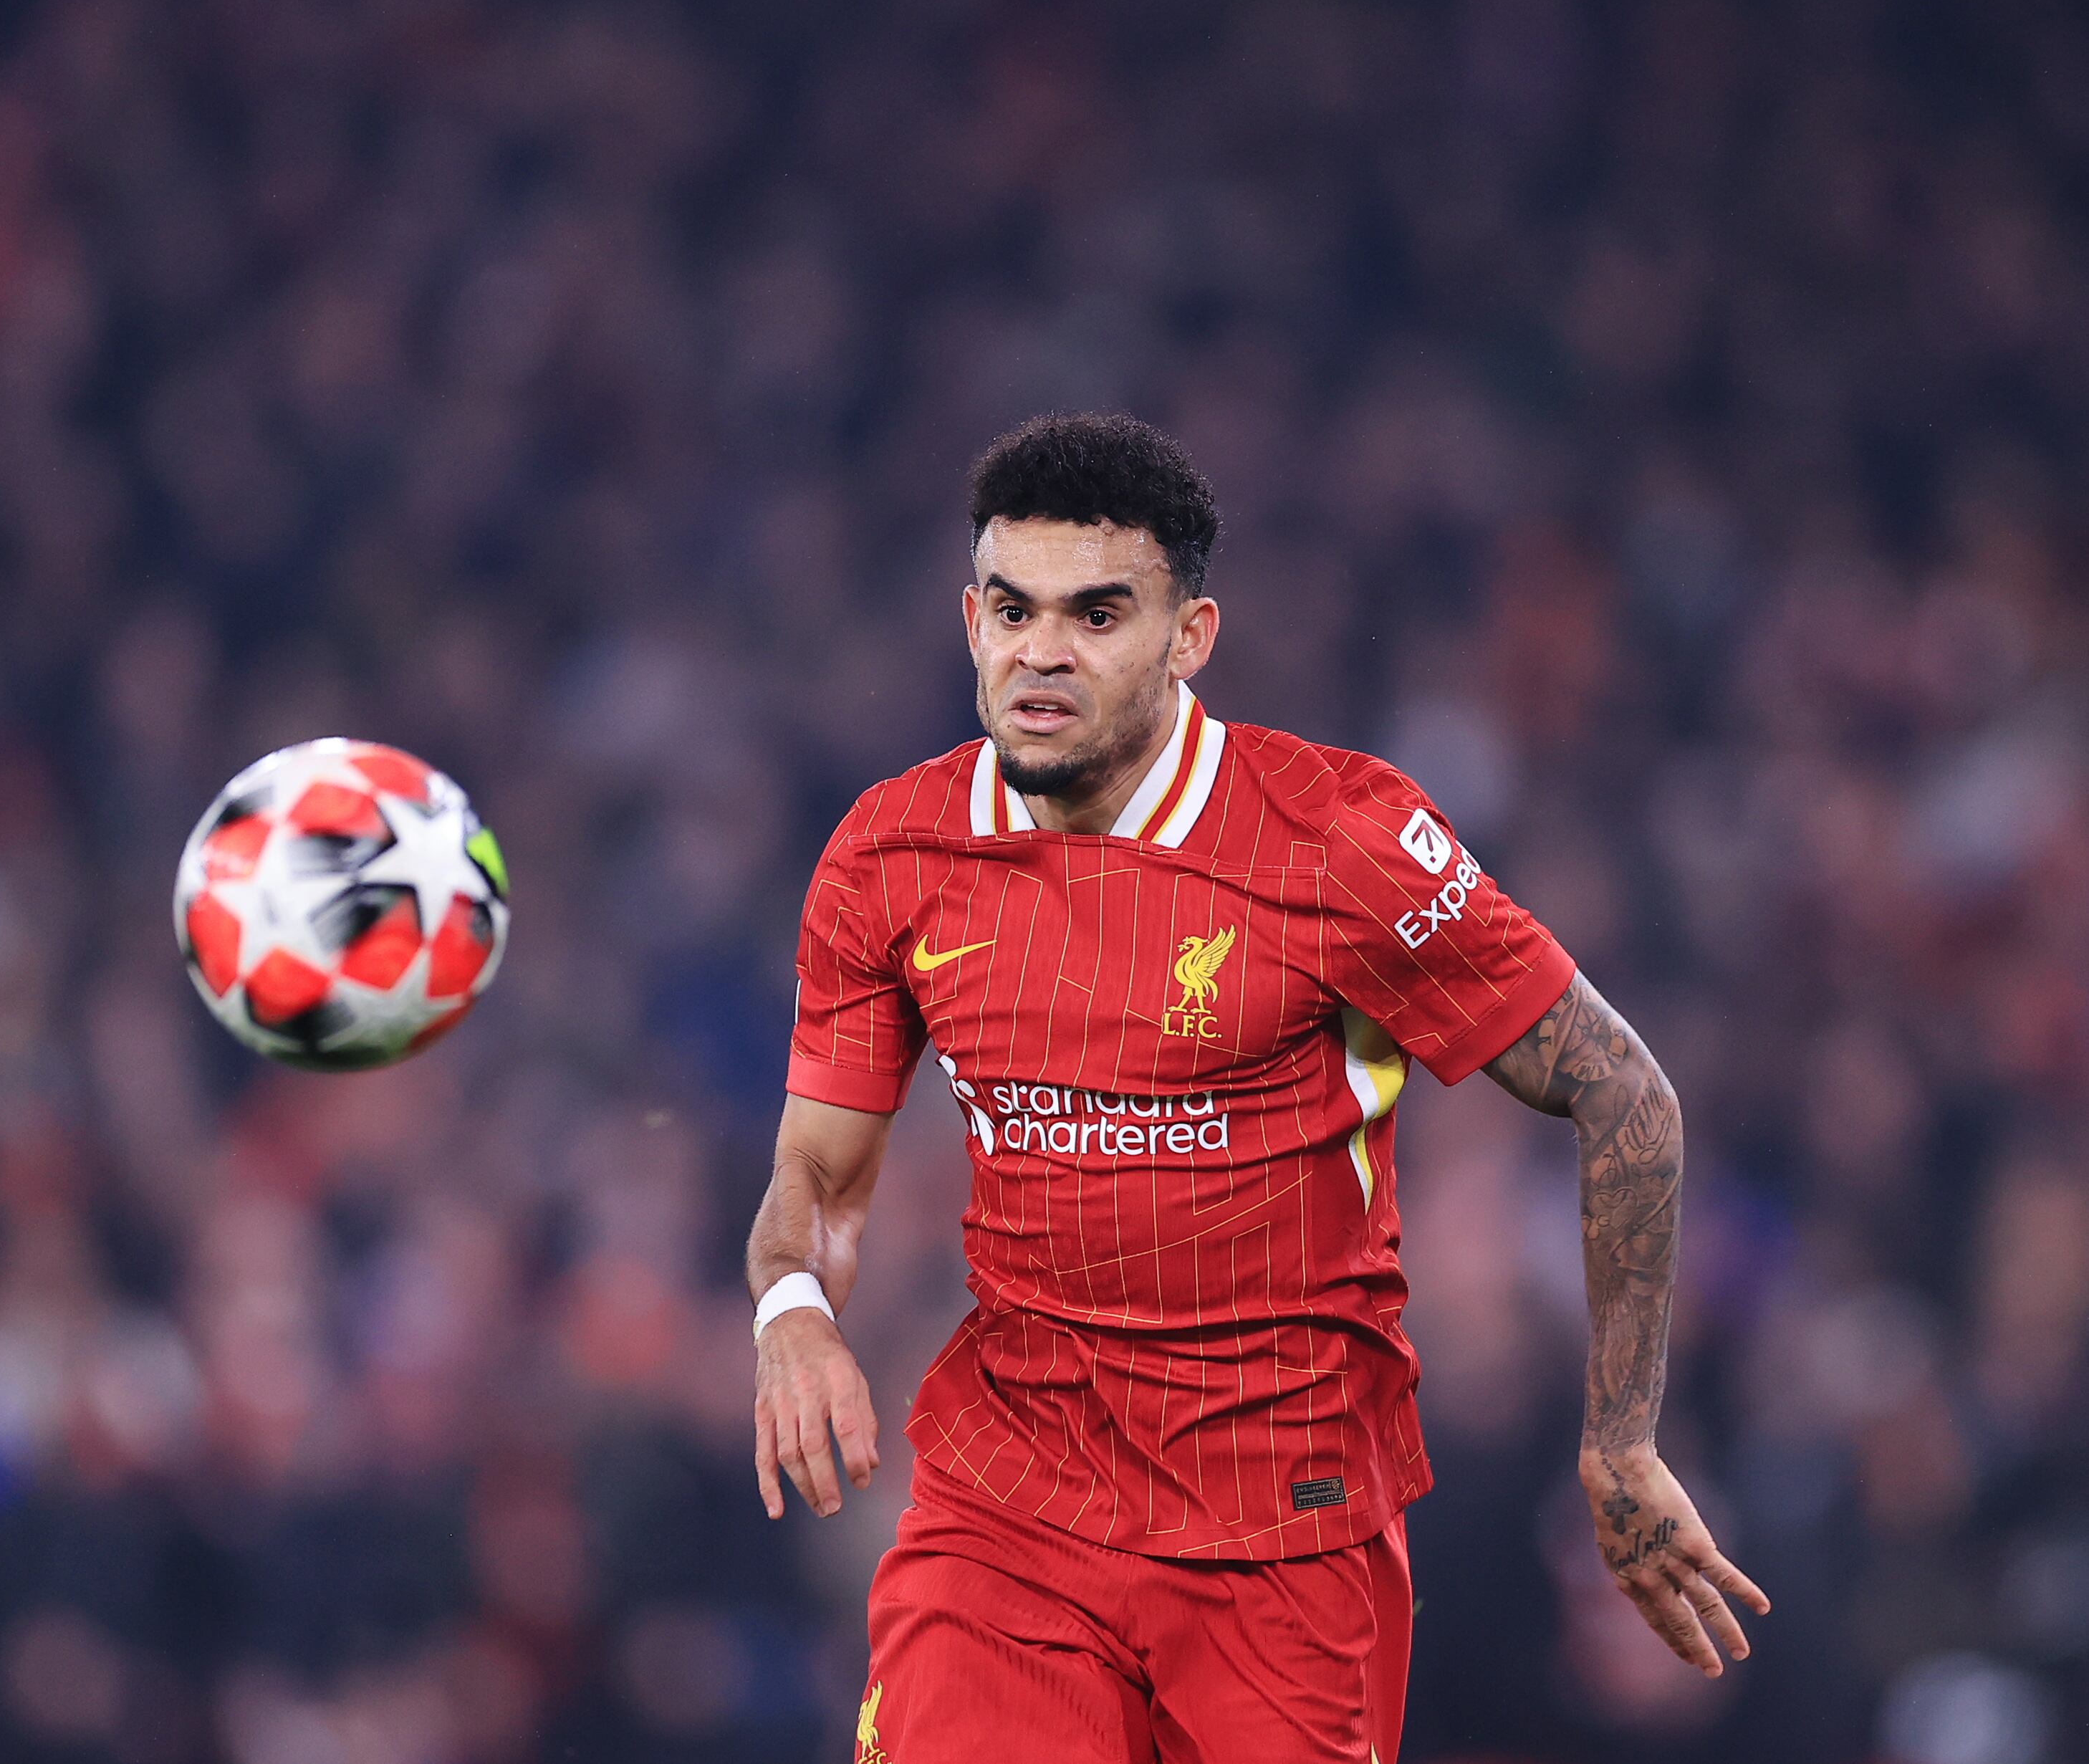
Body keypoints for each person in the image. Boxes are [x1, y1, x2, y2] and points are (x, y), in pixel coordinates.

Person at [743, 413, 1769, 1763]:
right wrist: (796, 1308)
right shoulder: (892, 852)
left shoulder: (1336, 843)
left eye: (1097, 612)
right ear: (971, 617)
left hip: (1286, 1539)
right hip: (1013, 1517)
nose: (1042, 652)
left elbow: (1626, 1094)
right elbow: (817, 1176)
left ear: (1190, 634)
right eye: (1012, 609)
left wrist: (1621, 1441)